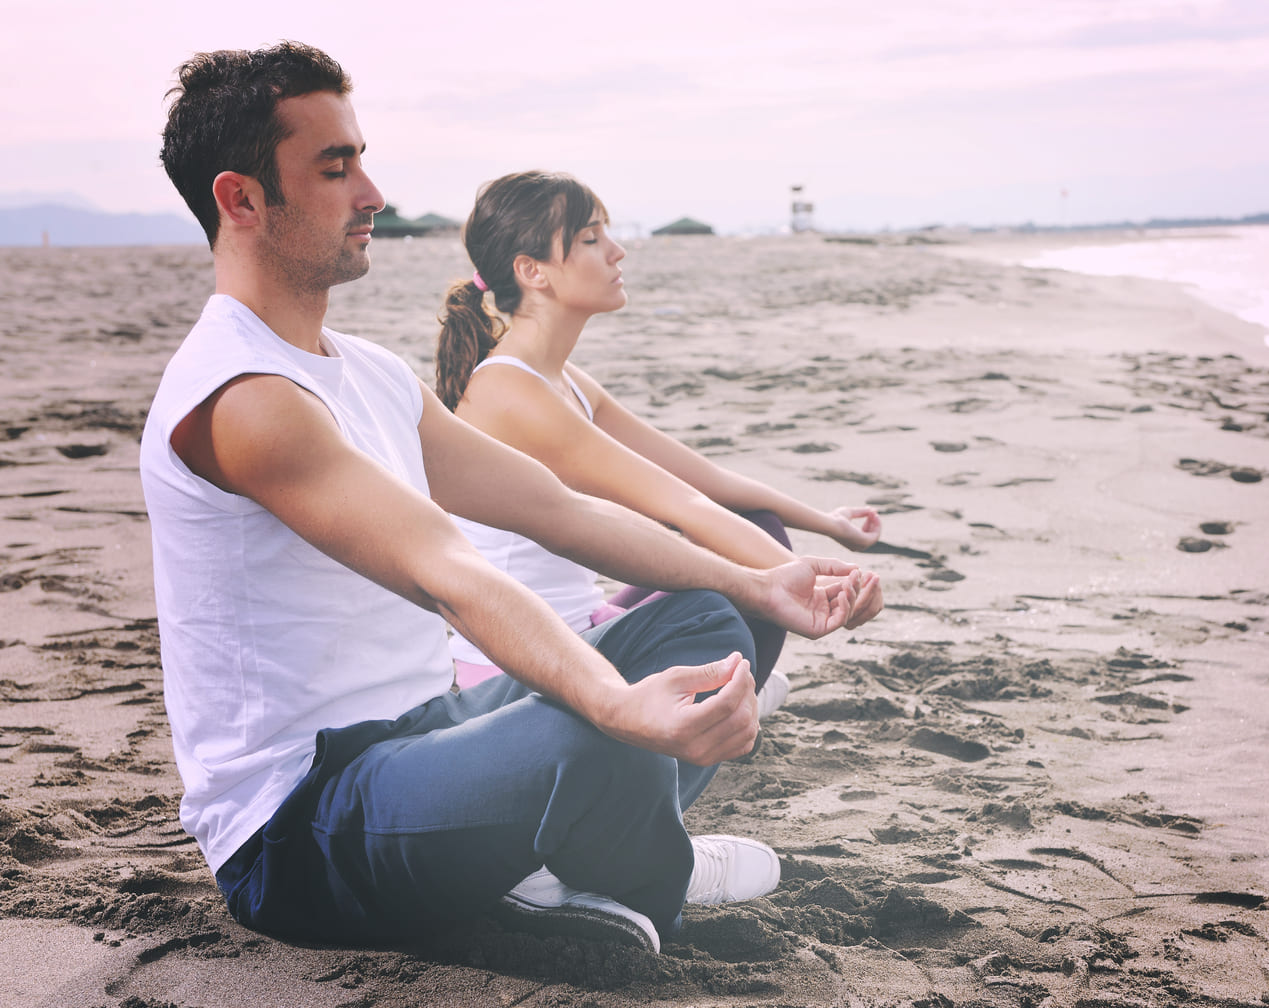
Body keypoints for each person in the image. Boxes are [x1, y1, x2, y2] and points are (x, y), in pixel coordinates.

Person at [142, 41, 881, 954]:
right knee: (602, 733)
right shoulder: (243, 398)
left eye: (363, 160)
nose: (373, 193)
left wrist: (761, 580)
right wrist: (613, 708)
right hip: (302, 824)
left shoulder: (370, 374)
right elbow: (445, 571)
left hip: (429, 733)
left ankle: (571, 858)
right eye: (337, 168)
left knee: (707, 616)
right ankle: (634, 861)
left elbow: (560, 511)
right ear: (241, 198)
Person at [434, 170, 883, 698]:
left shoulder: (561, 379)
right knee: (727, 583)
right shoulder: (510, 391)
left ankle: (728, 699)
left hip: (586, 626)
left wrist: (831, 527)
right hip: (524, 668)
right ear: (533, 271)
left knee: (750, 525)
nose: (617, 252)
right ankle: (723, 707)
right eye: (591, 239)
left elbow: (704, 481)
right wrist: (806, 583)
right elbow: (682, 505)